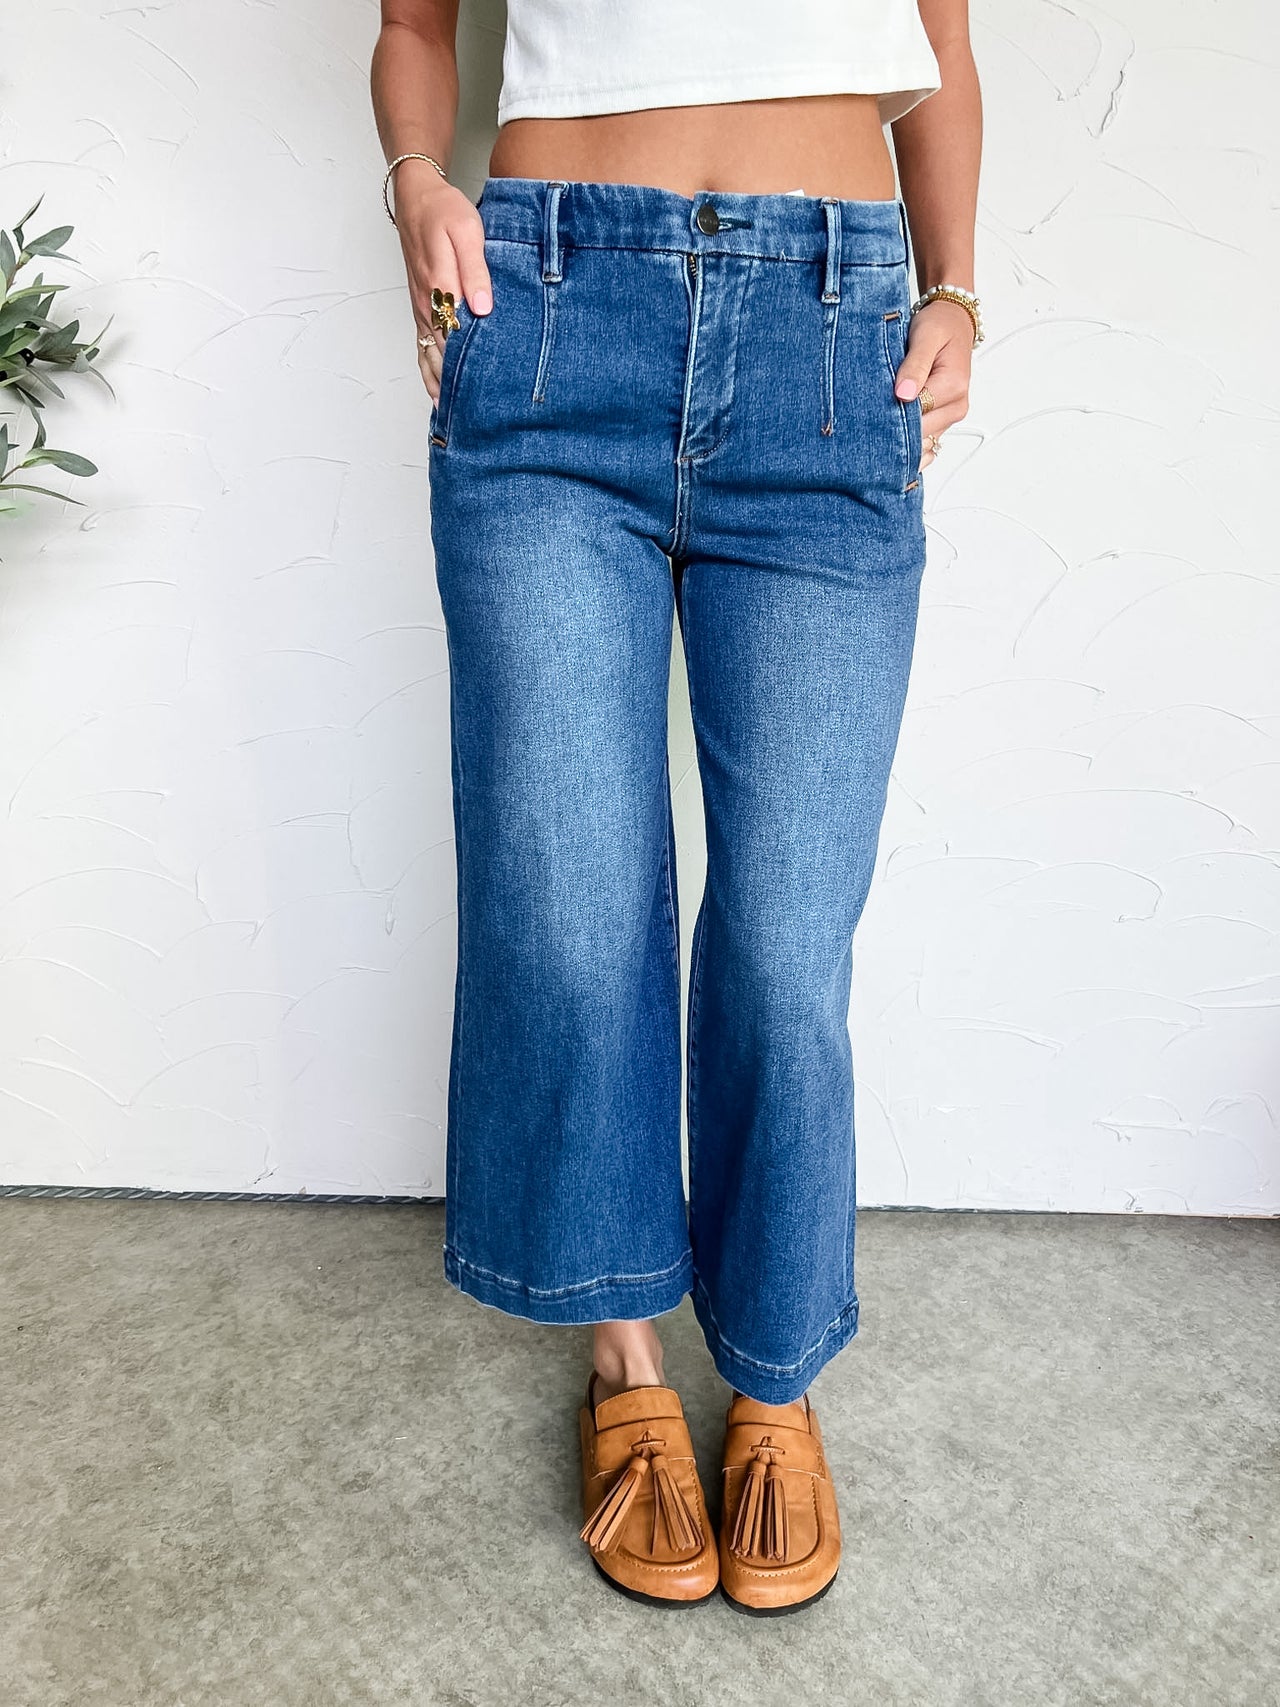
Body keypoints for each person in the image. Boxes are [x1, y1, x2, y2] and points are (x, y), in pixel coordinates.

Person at [371, 0, 981, 1614]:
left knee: (786, 945)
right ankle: (623, 1352)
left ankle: (773, 1377)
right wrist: (418, 181)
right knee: (566, 908)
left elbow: (942, 58)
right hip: (554, 310)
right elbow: (412, 24)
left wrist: (958, 288)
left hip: (831, 343)